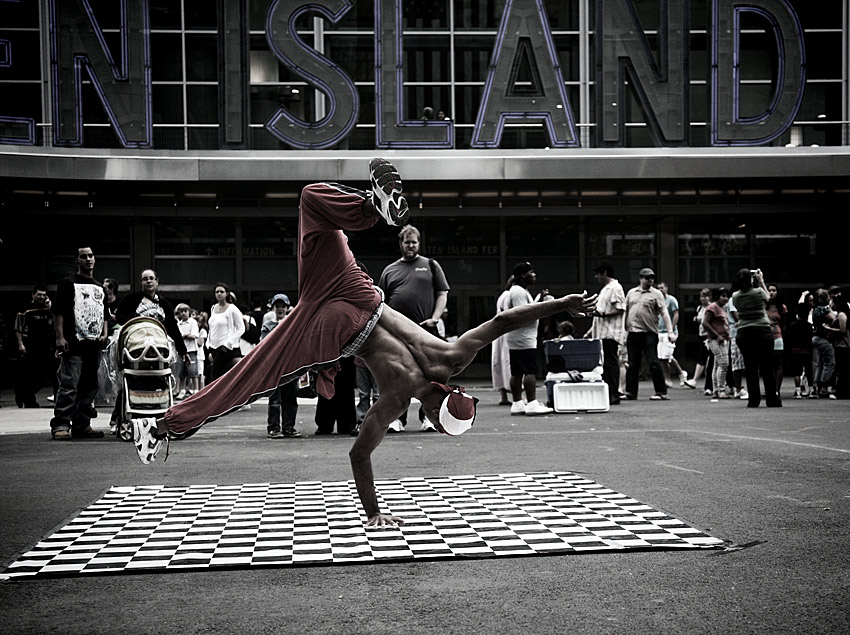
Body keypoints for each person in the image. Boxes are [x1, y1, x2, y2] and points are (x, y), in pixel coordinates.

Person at [130, 158, 596, 528]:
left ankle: (372, 209)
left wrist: (563, 303)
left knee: (311, 201)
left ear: (455, 394)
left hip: (353, 297)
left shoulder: (449, 357)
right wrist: (373, 512)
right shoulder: (397, 400)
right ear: (435, 414)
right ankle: (164, 427)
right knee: (254, 374)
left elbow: (503, 318)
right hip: (341, 320)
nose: (432, 417)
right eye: (435, 419)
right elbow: (358, 456)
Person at [378, 224, 450, 432]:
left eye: (414, 242)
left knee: (431, 377)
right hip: (398, 333)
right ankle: (397, 419)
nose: (410, 245)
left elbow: (442, 294)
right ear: (400, 244)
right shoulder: (390, 270)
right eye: (407, 242)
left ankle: (428, 418)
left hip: (425, 331)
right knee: (398, 375)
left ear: (419, 244)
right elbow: (381, 302)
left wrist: (435, 318)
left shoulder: (430, 265)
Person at [109, 269, 190, 433]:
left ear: (157, 281)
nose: (148, 281)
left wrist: (183, 351)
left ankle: (161, 416)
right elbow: (121, 318)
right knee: (129, 380)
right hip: (136, 348)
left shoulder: (164, 304)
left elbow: (173, 328)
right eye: (145, 279)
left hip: (159, 350)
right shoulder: (131, 299)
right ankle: (118, 418)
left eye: (151, 278)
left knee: (159, 381)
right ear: (141, 282)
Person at [50, 246, 109, 439]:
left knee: (89, 387)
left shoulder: (99, 286)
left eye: (91, 255)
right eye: (83, 256)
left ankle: (82, 425)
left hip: (94, 346)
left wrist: (104, 333)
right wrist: (60, 337)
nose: (88, 259)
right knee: (69, 385)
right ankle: (61, 425)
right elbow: (58, 312)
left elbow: (104, 314)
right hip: (74, 343)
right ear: (77, 260)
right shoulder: (68, 283)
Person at [505, 261, 554, 416]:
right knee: (530, 371)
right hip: (524, 337)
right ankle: (532, 403)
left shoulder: (517, 291)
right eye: (531, 272)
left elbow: (526, 309)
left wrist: (538, 299)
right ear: (522, 275)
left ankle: (518, 403)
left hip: (516, 336)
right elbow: (523, 315)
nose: (534, 275)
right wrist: (542, 305)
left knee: (517, 372)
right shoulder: (519, 292)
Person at [732, 268, 781, 408]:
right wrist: (761, 281)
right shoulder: (758, 292)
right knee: (767, 366)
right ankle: (772, 399)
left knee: (750, 367)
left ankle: (753, 399)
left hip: (744, 331)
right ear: (751, 280)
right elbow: (769, 298)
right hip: (762, 330)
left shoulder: (735, 296)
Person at [624, 268, 675, 401]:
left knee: (653, 361)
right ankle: (631, 391)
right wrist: (623, 331)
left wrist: (670, 331)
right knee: (633, 363)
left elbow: (664, 312)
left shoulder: (656, 294)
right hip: (633, 331)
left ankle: (661, 391)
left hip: (649, 332)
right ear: (641, 278)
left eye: (652, 277)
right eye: (647, 278)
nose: (650, 280)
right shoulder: (631, 293)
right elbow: (626, 312)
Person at [261, 293, 301, 438]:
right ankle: (274, 427)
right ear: (273, 308)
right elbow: (264, 346)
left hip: (289, 366)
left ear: (287, 308)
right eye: (277, 306)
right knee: (275, 399)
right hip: (274, 368)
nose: (280, 309)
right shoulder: (268, 326)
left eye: (282, 306)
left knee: (290, 398)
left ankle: (289, 426)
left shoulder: (293, 325)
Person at [587, 261, 626, 405]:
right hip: (603, 332)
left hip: (610, 333)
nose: (596, 277)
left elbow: (620, 308)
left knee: (610, 363)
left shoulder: (615, 288)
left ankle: (614, 393)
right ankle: (609, 392)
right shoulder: (607, 289)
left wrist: (603, 314)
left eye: (598, 273)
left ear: (604, 273)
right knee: (606, 364)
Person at [14, 285, 55, 408]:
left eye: (44, 295)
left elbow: (53, 324)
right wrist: (20, 344)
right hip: (30, 346)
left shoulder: (47, 309)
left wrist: (50, 307)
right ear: (33, 294)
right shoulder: (25, 310)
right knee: (29, 374)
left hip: (45, 346)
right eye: (39, 294)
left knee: (42, 376)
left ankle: (23, 394)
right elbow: (18, 328)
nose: (41, 297)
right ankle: (27, 399)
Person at [208, 282, 245, 380]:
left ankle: (215, 395)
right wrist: (209, 343)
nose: (219, 294)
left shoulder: (232, 309)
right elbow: (212, 327)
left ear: (227, 293)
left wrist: (228, 343)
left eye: (221, 292)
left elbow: (241, 328)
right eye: (217, 292)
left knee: (215, 375)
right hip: (213, 346)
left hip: (225, 347)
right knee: (219, 374)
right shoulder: (213, 308)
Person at [656, 281, 688, 387]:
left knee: (667, 356)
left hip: (669, 332)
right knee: (662, 358)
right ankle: (671, 376)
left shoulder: (671, 300)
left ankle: (676, 375)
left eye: (662, 288)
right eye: (658, 288)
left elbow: (676, 314)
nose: (660, 290)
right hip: (659, 331)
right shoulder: (658, 300)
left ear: (666, 288)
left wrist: (672, 329)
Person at [702, 287, 730, 399]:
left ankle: (715, 390)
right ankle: (721, 389)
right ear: (717, 296)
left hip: (723, 338)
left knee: (717, 364)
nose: (726, 298)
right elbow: (705, 322)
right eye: (723, 296)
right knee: (724, 363)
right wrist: (717, 335)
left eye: (727, 296)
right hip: (715, 339)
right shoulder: (713, 307)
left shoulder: (722, 308)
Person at [684, 288, 711, 393]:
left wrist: (700, 320)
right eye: (701, 297)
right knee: (703, 358)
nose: (703, 299)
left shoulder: (711, 307)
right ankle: (697, 380)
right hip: (701, 334)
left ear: (709, 297)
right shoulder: (700, 308)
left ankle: (695, 380)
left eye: (705, 296)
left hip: (708, 335)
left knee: (703, 358)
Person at [491, 278, 513, 406]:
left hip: (499, 332)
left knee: (499, 361)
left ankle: (503, 395)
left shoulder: (503, 295)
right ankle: (519, 395)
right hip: (507, 332)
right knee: (507, 361)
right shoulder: (509, 295)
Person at [810, 288, 836, 399]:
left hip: (816, 337)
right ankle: (824, 387)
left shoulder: (815, 309)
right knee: (829, 363)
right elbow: (834, 319)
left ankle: (817, 385)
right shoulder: (824, 309)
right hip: (824, 338)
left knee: (820, 363)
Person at [786, 302, 814, 399]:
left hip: (795, 350)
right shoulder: (809, 326)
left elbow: (789, 338)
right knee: (809, 371)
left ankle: (798, 391)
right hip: (807, 350)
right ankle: (811, 390)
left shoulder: (793, 325)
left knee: (797, 372)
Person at [766, 283, 788, 397]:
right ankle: (768, 388)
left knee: (778, 364)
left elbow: (783, 324)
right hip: (765, 337)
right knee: (766, 364)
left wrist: (783, 337)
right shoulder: (764, 305)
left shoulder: (782, 307)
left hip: (777, 335)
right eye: (769, 290)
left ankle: (776, 389)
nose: (772, 292)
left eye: (774, 290)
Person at [174, 303, 200, 399]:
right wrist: (185, 336)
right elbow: (177, 337)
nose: (184, 313)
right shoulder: (178, 324)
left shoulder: (193, 322)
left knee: (193, 370)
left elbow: (194, 335)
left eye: (185, 311)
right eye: (181, 312)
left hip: (191, 349)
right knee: (182, 371)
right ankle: (182, 390)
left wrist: (184, 336)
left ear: (189, 312)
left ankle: (196, 390)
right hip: (181, 350)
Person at [826, 293, 849, 399]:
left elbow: (842, 330)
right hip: (840, 344)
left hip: (843, 345)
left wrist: (829, 329)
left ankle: (841, 391)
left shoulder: (842, 315)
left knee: (841, 368)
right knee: (842, 368)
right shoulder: (839, 314)